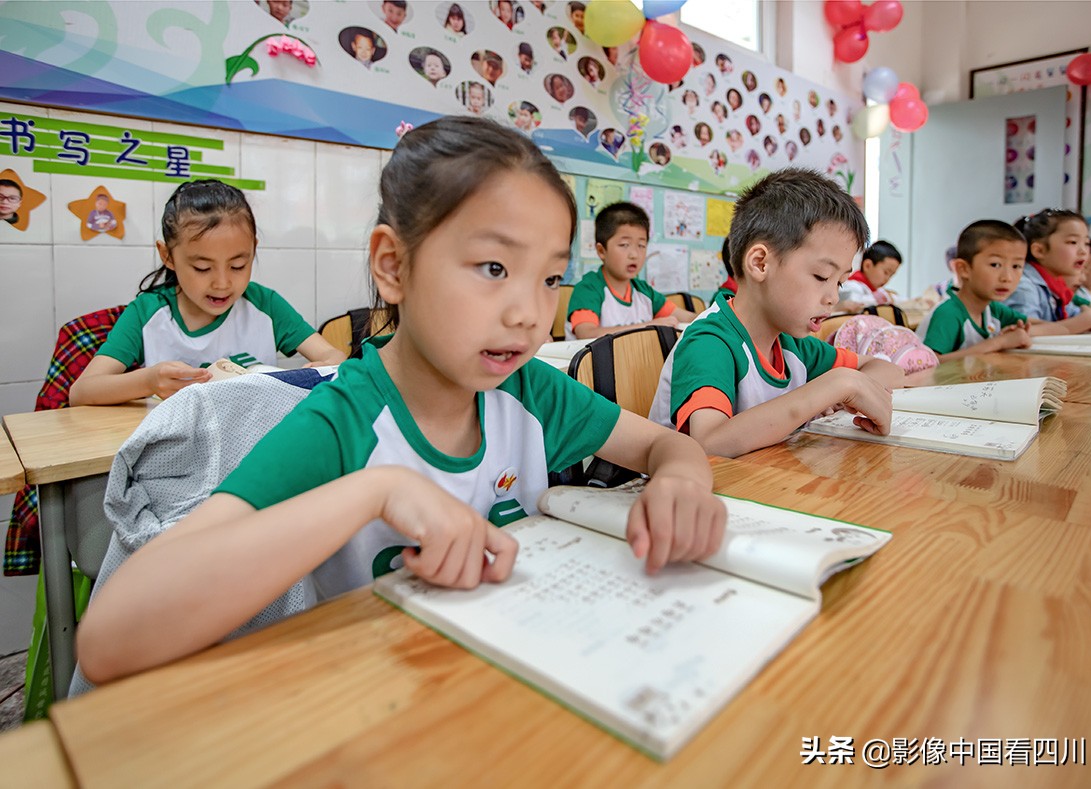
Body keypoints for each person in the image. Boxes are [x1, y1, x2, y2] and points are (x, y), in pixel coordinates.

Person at [75, 117, 726, 684]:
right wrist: (373, 490)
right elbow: (110, 641)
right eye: (494, 268)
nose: (531, 313)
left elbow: (665, 444)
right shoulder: (342, 421)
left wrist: (682, 479)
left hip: (510, 687)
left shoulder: (529, 391)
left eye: (550, 276)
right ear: (391, 265)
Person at [648, 168, 903, 457]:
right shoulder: (710, 342)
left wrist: (852, 388)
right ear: (760, 264)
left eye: (840, 281)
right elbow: (710, 443)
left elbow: (886, 369)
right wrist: (832, 388)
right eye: (821, 276)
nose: (833, 297)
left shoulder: (792, 345)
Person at [69, 180, 345, 406]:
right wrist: (149, 381)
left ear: (253, 249)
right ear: (168, 256)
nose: (223, 283)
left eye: (239, 265)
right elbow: (82, 392)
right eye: (202, 268)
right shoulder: (147, 312)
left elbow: (335, 358)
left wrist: (315, 373)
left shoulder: (264, 305)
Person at [566, 202, 698, 340]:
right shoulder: (589, 289)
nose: (634, 254)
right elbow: (587, 334)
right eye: (624, 245)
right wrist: (649, 327)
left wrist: (715, 314)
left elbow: (687, 317)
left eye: (641, 245)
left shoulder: (644, 291)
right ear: (601, 251)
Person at [915, 220, 1039, 359]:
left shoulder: (992, 309)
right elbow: (930, 365)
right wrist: (999, 342)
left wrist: (1018, 334)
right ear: (963, 269)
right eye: (995, 264)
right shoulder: (948, 313)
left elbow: (1044, 327)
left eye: (1016, 266)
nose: (1007, 277)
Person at [1005, 209, 1091, 333]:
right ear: (1039, 250)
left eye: (1086, 243)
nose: (1083, 251)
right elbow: (1021, 332)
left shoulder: (1057, 286)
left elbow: (1081, 316)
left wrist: (1088, 318)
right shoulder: (1024, 286)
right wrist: (1083, 321)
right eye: (1073, 242)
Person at [837, 240, 902, 310]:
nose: (887, 279)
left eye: (891, 275)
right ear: (867, 266)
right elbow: (852, 302)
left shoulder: (876, 290)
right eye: (886, 272)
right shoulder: (852, 286)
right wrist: (881, 298)